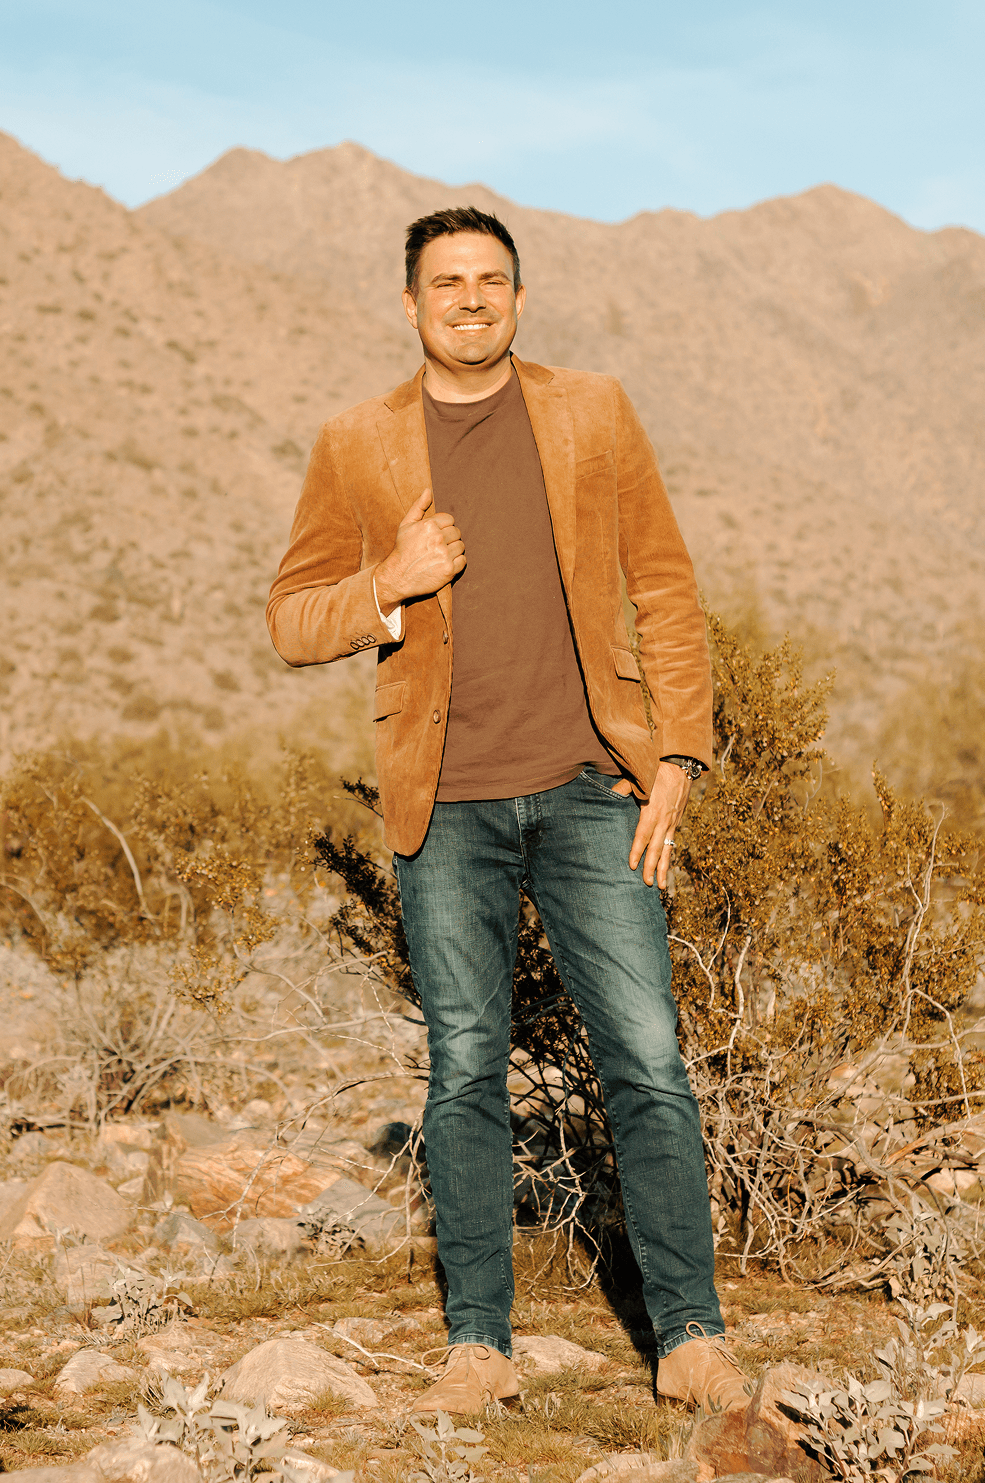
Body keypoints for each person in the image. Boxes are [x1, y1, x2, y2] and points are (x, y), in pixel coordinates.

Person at [267, 206, 747, 1417]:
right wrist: (389, 582)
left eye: (491, 280)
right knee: (467, 1068)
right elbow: (290, 618)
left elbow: (665, 585)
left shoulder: (592, 409)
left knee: (646, 1059)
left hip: (597, 791)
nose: (470, 299)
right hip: (449, 807)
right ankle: (477, 1346)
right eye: (446, 282)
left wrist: (678, 757)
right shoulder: (357, 443)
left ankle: (689, 1338)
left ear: (519, 298)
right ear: (411, 302)